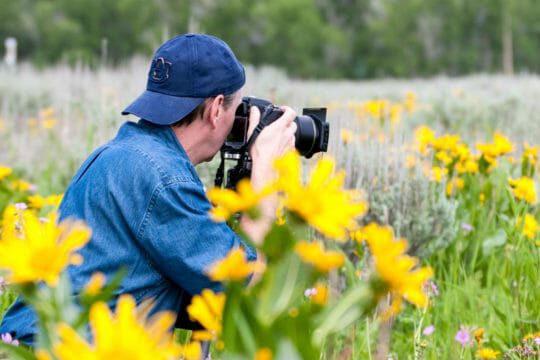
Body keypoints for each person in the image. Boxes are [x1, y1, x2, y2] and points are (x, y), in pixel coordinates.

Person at [0, 33, 297, 345]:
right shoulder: (164, 179)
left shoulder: (120, 153)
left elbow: (194, 295)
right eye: (238, 111)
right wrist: (265, 171)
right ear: (217, 108)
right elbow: (245, 291)